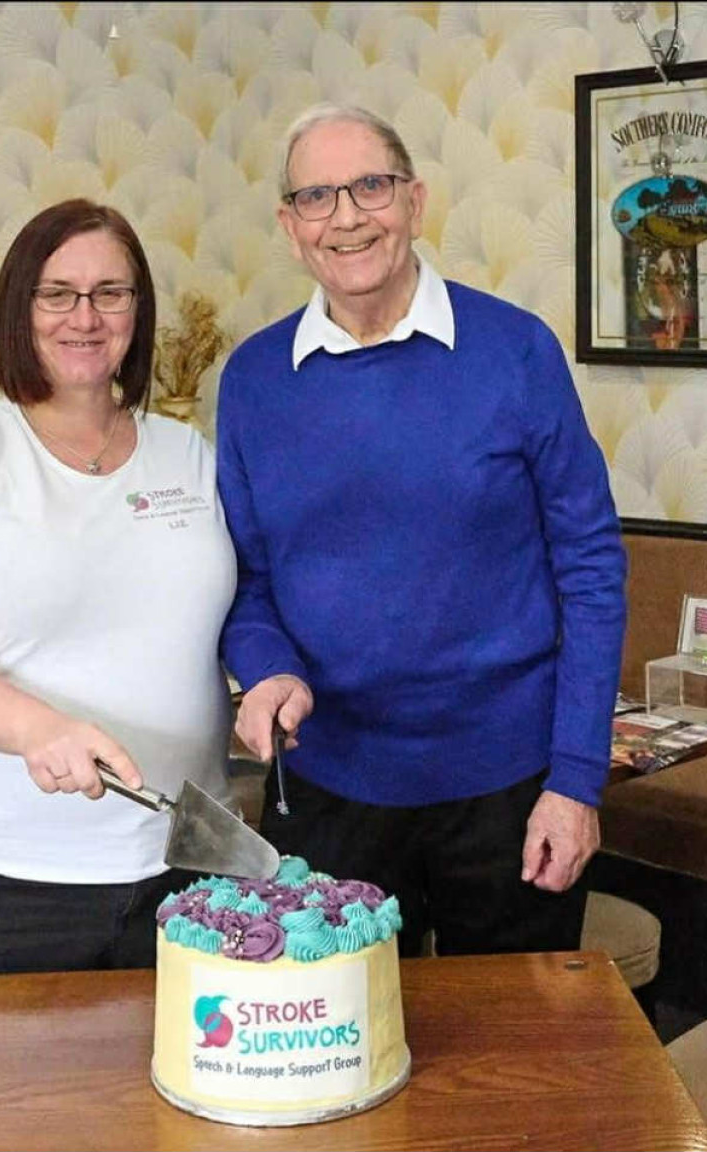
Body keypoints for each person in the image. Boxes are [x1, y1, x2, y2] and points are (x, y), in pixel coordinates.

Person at [216, 105, 627, 959]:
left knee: (512, 1036)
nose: (347, 217)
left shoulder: (517, 351)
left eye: (371, 186)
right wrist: (267, 669)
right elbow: (248, 583)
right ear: (290, 227)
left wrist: (577, 781)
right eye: (317, 197)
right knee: (339, 1033)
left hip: (511, 793)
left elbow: (590, 567)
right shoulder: (254, 379)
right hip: (327, 789)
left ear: (415, 200)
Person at [0, 199, 237, 1024]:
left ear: (137, 310)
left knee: (178, 1092)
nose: (86, 316)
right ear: (19, 308)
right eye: (58, 294)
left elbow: (229, 617)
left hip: (183, 860)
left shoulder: (189, 454)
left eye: (111, 293)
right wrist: (41, 731)